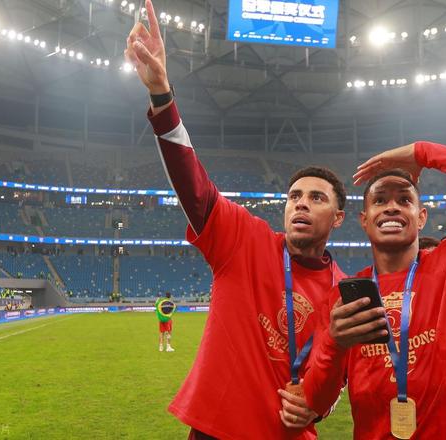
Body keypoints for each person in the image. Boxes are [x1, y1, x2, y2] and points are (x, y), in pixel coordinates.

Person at [125, 2, 347, 438]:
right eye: (294, 196)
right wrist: (162, 97)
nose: (301, 204)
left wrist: (317, 407)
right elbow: (194, 186)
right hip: (217, 429)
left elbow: (337, 377)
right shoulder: (245, 240)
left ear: (338, 217)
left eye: (316, 198)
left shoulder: (344, 291)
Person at [300, 140, 446, 439]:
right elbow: (316, 402)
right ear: (364, 220)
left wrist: (425, 153)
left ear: (421, 216)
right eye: (379, 200)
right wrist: (335, 345)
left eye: (404, 200)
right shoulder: (341, 298)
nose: (391, 207)